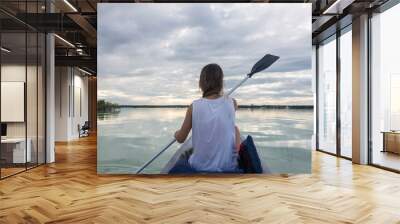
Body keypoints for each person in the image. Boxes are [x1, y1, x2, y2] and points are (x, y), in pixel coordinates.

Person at [172, 63, 241, 173]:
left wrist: (176, 133)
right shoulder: (232, 103)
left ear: (201, 84)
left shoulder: (194, 106)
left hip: (198, 168)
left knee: (235, 129)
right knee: (235, 128)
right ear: (221, 83)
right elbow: (223, 113)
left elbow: (180, 138)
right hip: (228, 168)